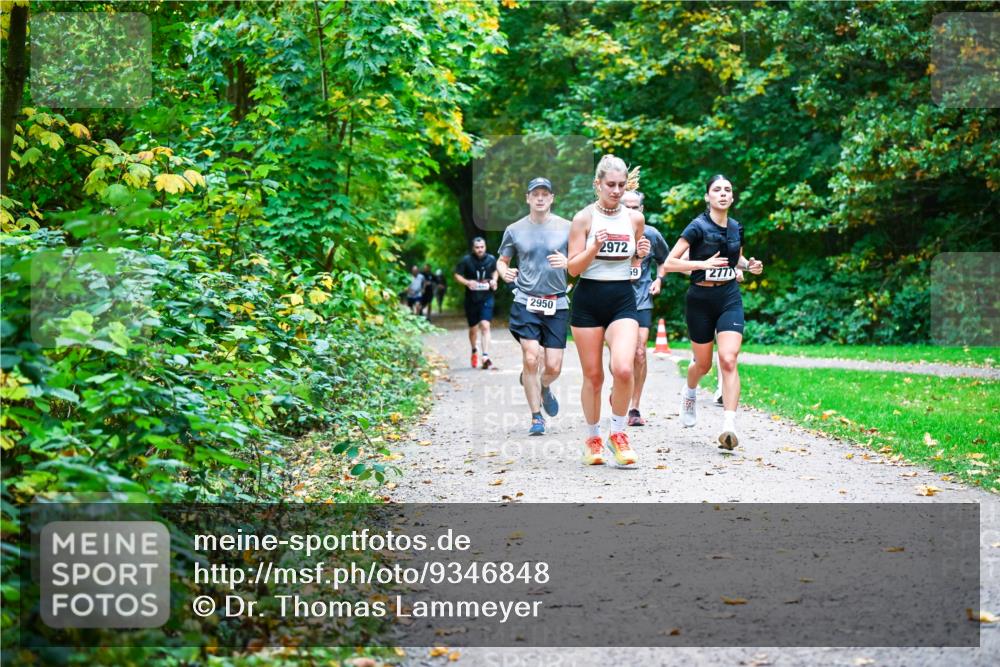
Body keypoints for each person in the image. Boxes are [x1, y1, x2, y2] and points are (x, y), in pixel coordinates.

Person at [664, 175, 763, 450]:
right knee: (703, 365)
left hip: (728, 296)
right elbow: (670, 263)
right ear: (708, 196)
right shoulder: (697, 227)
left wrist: (748, 265)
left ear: (732, 197)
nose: (722, 194)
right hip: (700, 299)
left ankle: (729, 426)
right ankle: (690, 391)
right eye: (716, 190)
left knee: (729, 359)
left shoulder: (736, 227)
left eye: (727, 190)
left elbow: (736, 259)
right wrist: (702, 264)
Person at [567, 155, 650, 467]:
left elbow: (633, 263)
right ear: (597, 185)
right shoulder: (583, 219)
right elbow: (573, 270)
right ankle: (593, 438)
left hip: (622, 300)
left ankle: (617, 434)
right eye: (610, 185)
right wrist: (593, 248)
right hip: (588, 301)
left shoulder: (634, 220)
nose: (616, 190)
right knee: (594, 376)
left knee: (624, 368)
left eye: (620, 185)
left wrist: (639, 256)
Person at [497, 177, 571, 436]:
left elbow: (581, 261)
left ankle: (543, 385)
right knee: (531, 357)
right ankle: (536, 416)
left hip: (557, 302)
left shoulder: (567, 227)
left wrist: (569, 263)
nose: (540, 198)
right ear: (527, 198)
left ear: (552, 198)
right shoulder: (514, 229)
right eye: (535, 194)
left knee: (553, 367)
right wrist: (504, 271)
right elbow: (502, 260)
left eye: (545, 194)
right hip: (526, 300)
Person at [620, 187, 669, 427]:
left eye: (634, 208)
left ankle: (634, 407)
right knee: (620, 357)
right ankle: (618, 384)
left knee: (639, 352)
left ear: (642, 210)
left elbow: (665, 262)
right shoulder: (608, 232)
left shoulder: (651, 234)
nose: (630, 212)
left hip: (641, 299)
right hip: (614, 299)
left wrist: (659, 280)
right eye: (625, 208)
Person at [454, 237, 498, 369]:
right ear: (473, 248)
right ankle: (474, 350)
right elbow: (457, 275)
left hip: (486, 297)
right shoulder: (466, 260)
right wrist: (468, 282)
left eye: (482, 247)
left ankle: (485, 355)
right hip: (471, 299)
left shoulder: (491, 259)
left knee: (485, 325)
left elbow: (495, 271)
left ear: (485, 247)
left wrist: (494, 281)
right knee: (473, 329)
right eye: (477, 247)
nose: (480, 249)